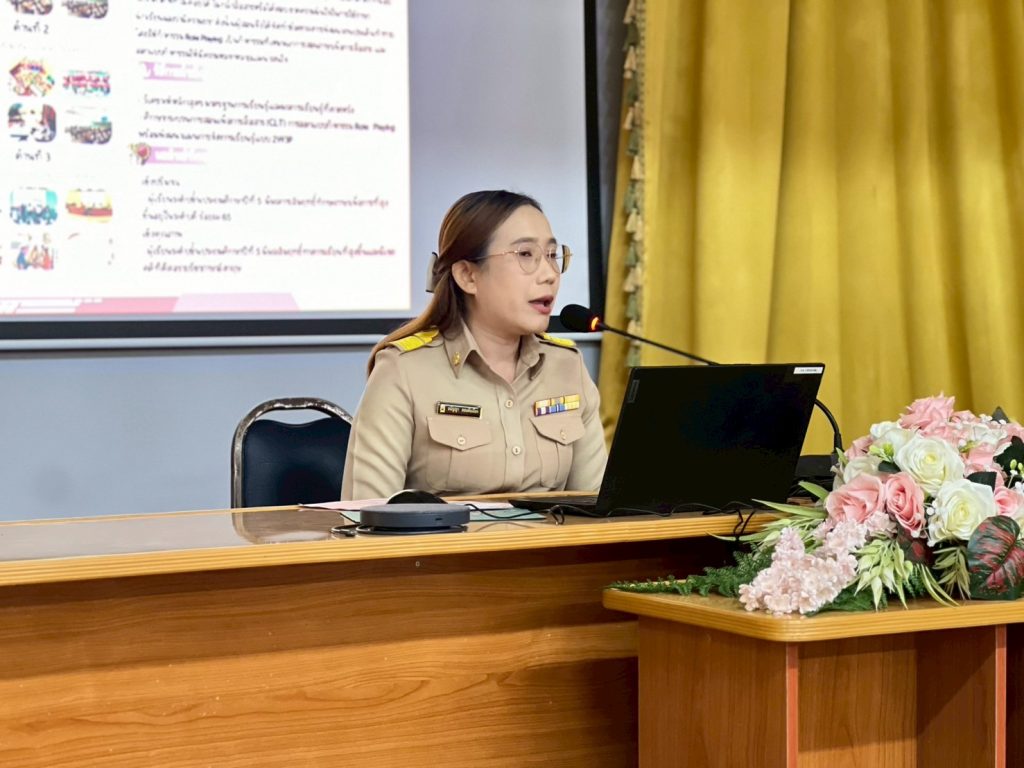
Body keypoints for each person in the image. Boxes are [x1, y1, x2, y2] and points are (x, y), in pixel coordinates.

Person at [341, 190, 607, 500]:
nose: (549, 275)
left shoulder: (567, 367)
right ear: (468, 275)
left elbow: (599, 509)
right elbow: (367, 514)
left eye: (551, 255)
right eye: (525, 254)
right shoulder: (403, 371)